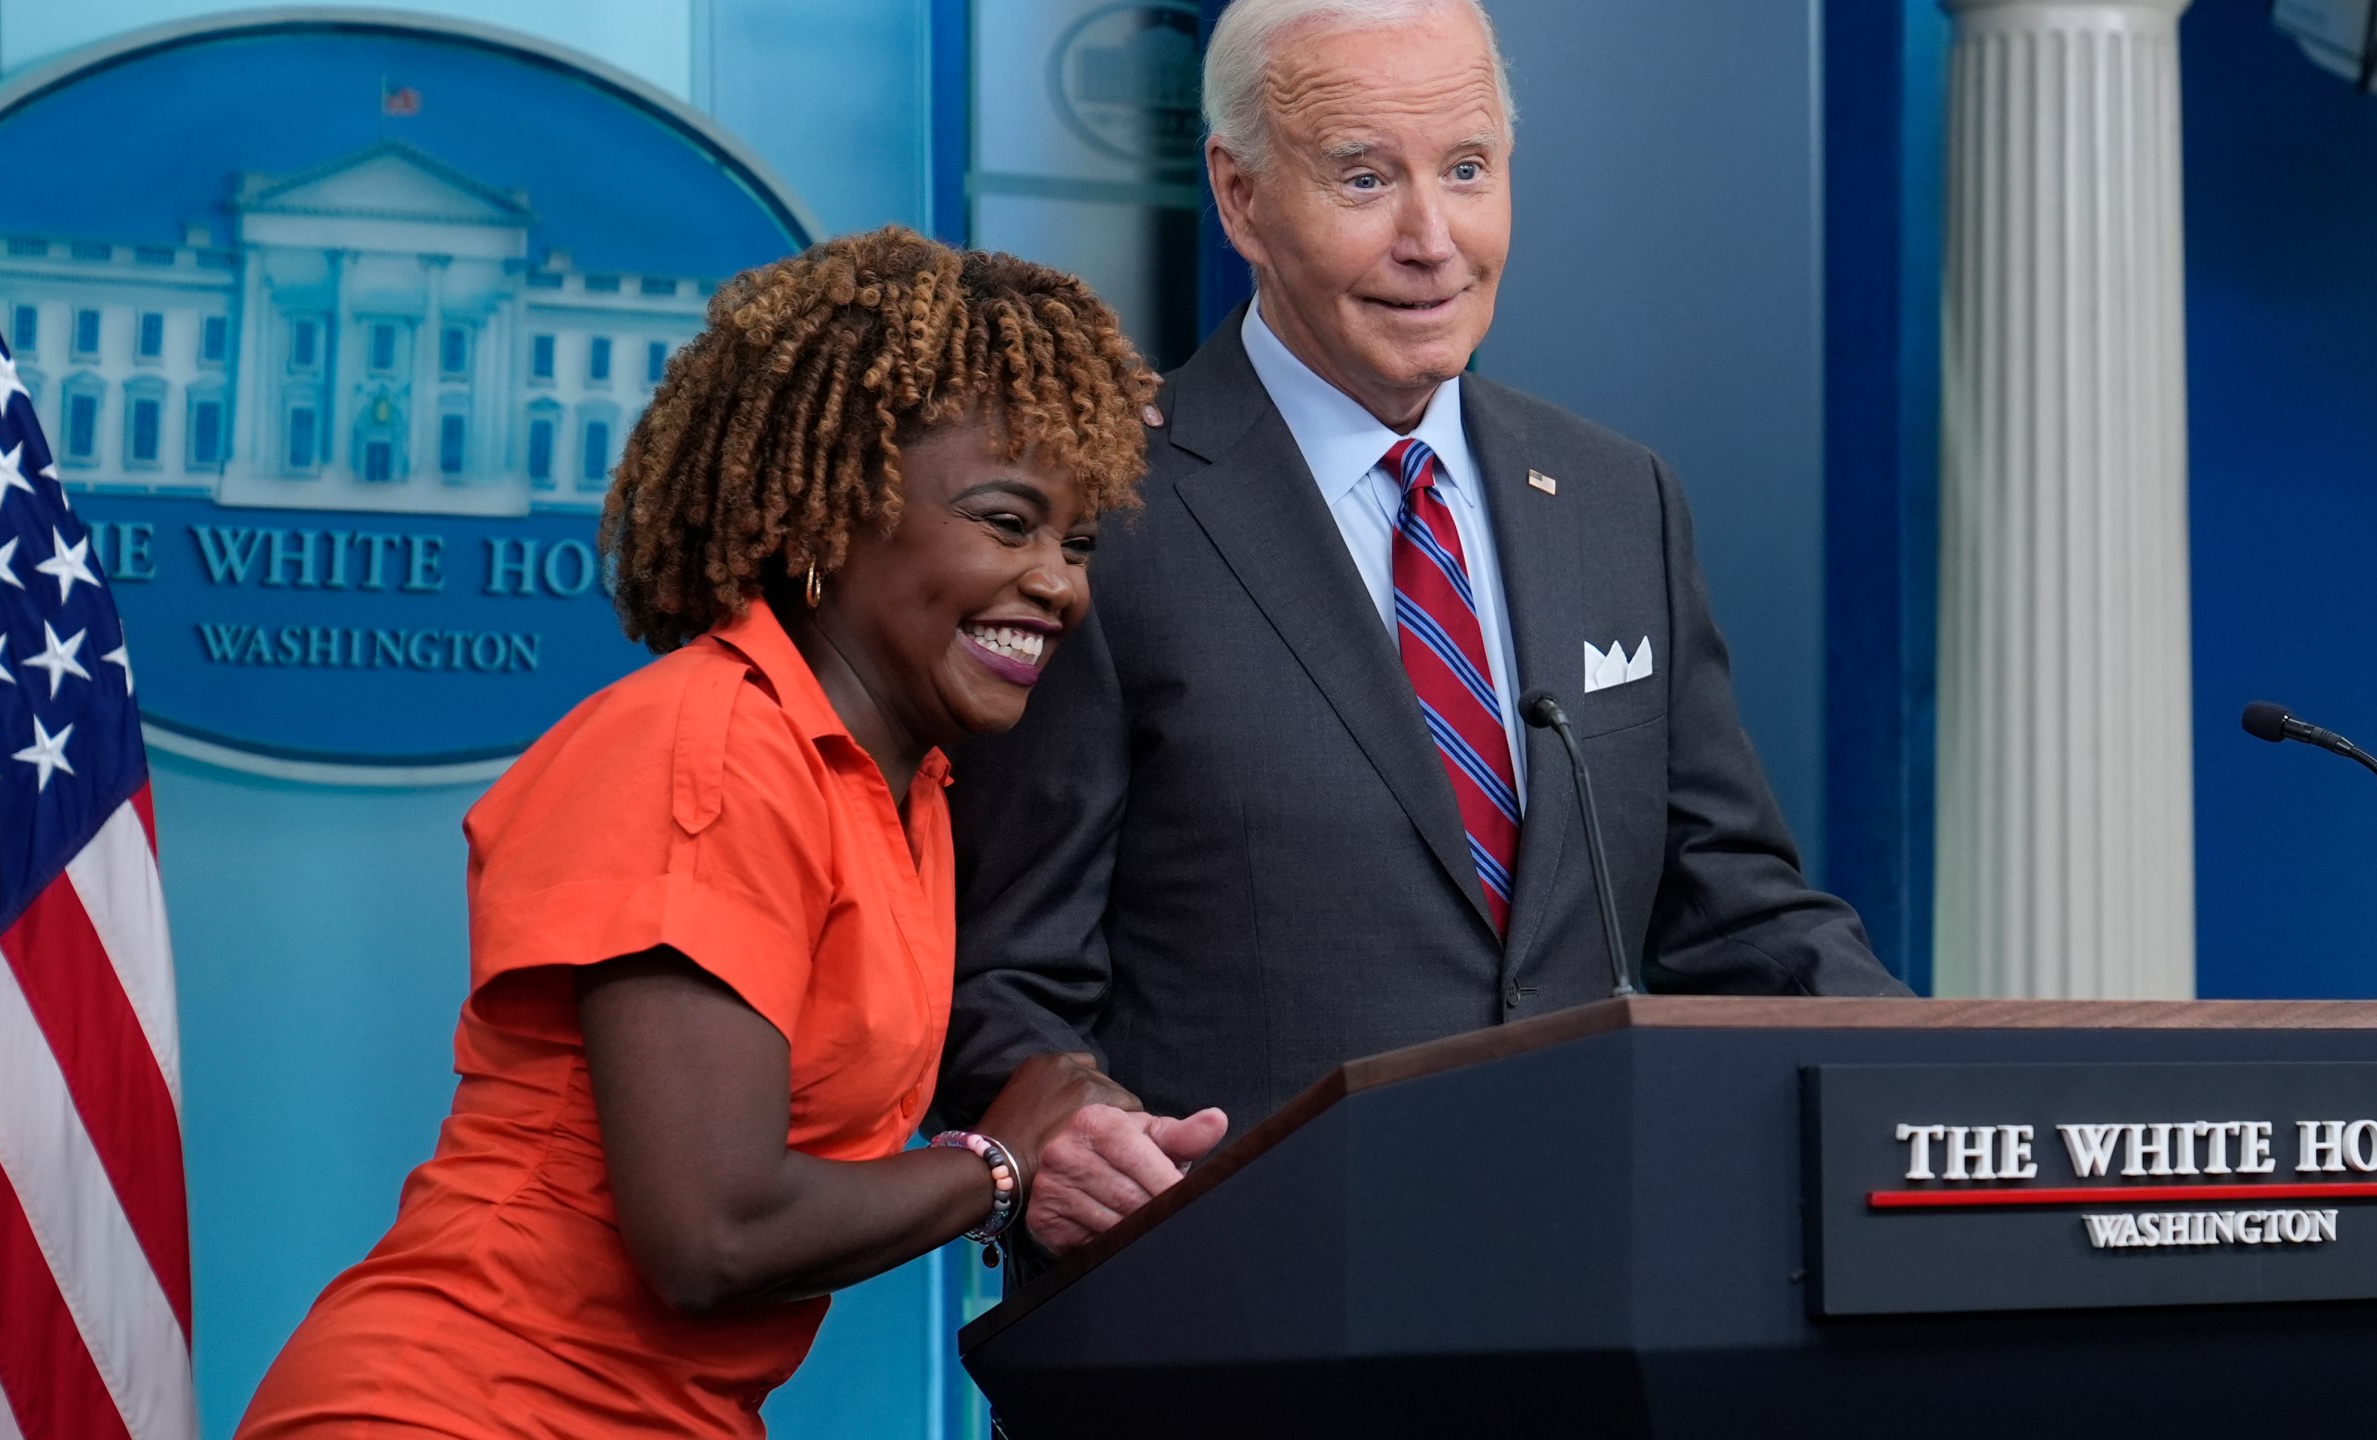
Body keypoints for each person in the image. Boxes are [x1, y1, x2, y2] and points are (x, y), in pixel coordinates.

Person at [934, 0, 1910, 1261]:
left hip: (1583, 1282)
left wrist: (1932, 1076)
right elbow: (995, 967)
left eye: (1466, 171)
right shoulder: (1101, 512)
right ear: (1240, 200)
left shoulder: (1617, 500)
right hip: (1238, 1294)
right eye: (1362, 177)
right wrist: (1061, 1131)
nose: (1431, 241)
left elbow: (1735, 911)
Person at [235, 227, 1181, 1438]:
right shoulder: (710, 748)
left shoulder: (910, 788)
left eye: (1077, 540)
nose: (1058, 583)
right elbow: (711, 1233)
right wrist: (998, 1165)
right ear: (830, 516)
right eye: (1006, 523)